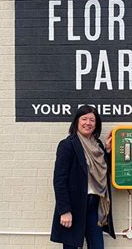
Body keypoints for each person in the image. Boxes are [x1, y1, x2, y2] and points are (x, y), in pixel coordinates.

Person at [50, 105, 116, 248]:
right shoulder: (67, 145)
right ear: (77, 122)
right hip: (74, 205)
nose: (88, 123)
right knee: (71, 246)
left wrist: (108, 150)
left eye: (92, 120)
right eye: (84, 118)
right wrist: (65, 210)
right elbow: (59, 180)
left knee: (97, 245)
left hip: (94, 205)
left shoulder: (97, 145)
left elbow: (104, 170)